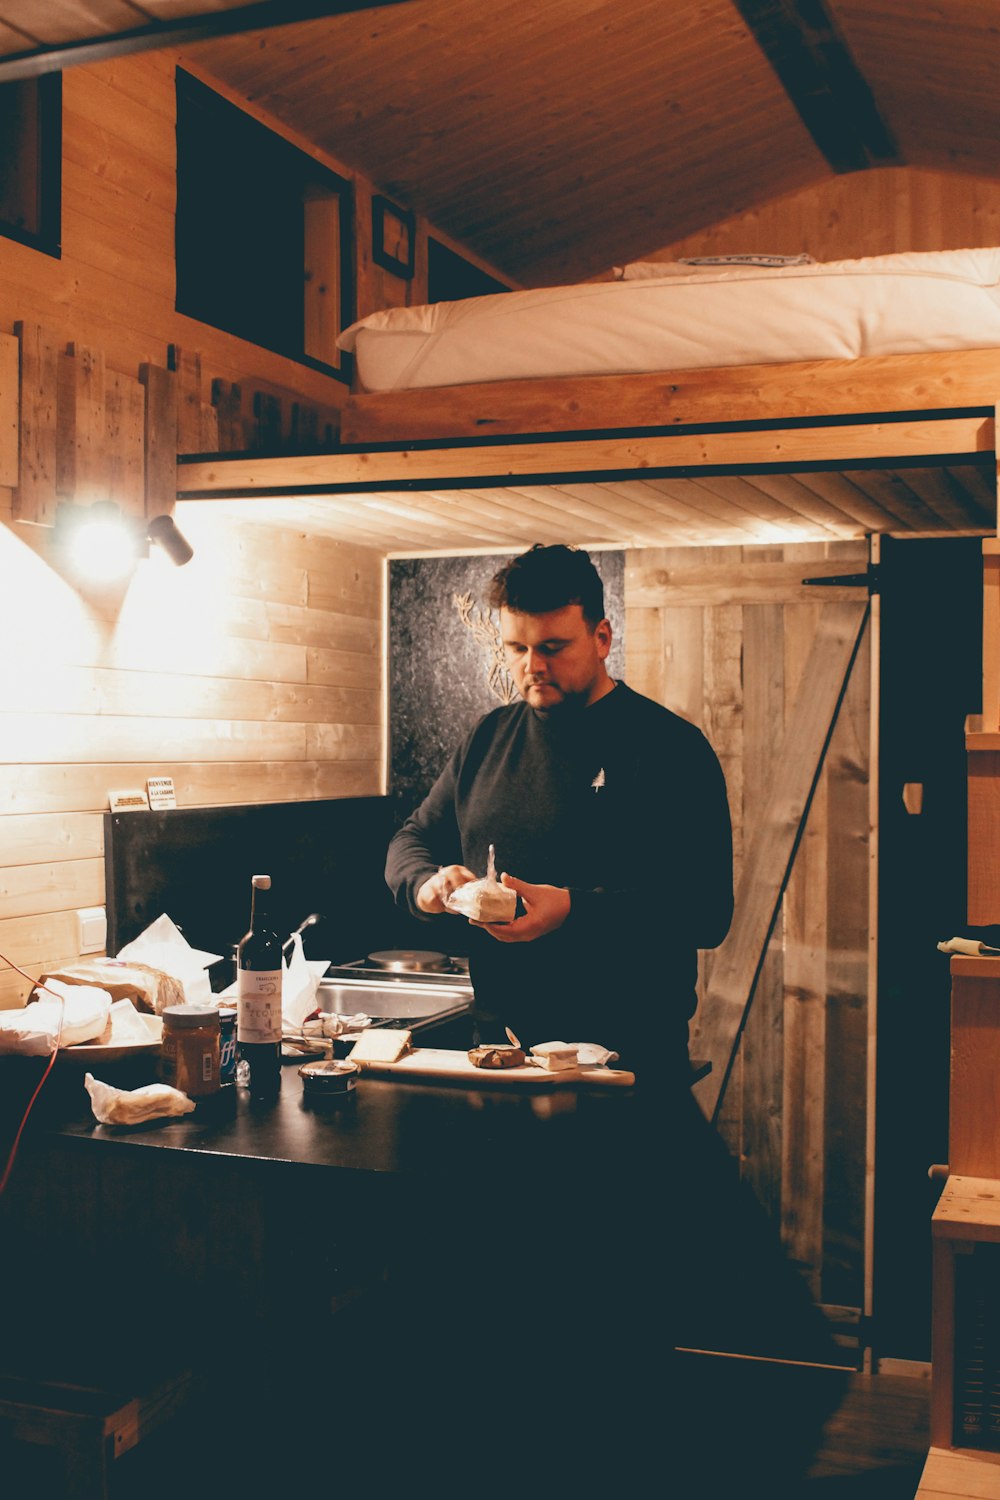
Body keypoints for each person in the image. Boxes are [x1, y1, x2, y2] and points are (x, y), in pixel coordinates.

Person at [385, 542, 733, 1079]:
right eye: (516, 648)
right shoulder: (488, 738)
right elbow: (412, 839)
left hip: (628, 1062)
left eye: (553, 646)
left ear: (602, 638)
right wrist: (425, 884)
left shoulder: (670, 748)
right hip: (501, 1055)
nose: (533, 666)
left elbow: (706, 912)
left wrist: (571, 910)